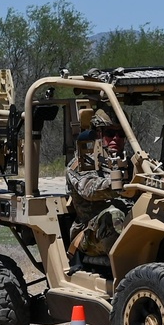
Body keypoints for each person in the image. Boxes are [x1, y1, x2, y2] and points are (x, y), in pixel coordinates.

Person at [66, 109, 132, 260]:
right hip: (91, 232)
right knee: (114, 216)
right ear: (98, 134)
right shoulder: (83, 164)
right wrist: (116, 184)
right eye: (110, 133)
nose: (116, 138)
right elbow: (90, 190)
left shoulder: (130, 163)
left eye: (121, 134)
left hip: (128, 224)